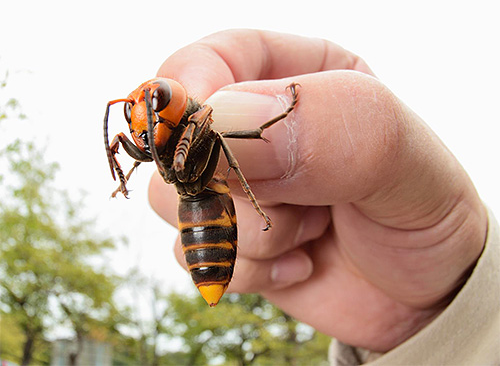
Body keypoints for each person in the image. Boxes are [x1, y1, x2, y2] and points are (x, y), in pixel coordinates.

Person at [148, 29, 500, 365]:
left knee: (221, 135)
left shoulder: (200, 117)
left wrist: (447, 314)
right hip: (200, 212)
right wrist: (439, 325)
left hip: (206, 215)